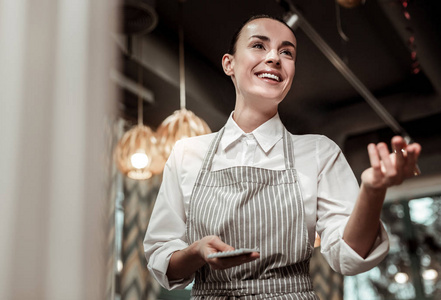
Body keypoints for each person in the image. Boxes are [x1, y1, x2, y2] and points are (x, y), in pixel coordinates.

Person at [143, 15, 422, 299]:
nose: (275, 57)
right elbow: (162, 259)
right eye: (259, 46)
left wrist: (372, 192)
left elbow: (347, 256)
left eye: (286, 52)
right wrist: (196, 251)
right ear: (229, 63)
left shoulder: (318, 151)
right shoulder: (186, 153)